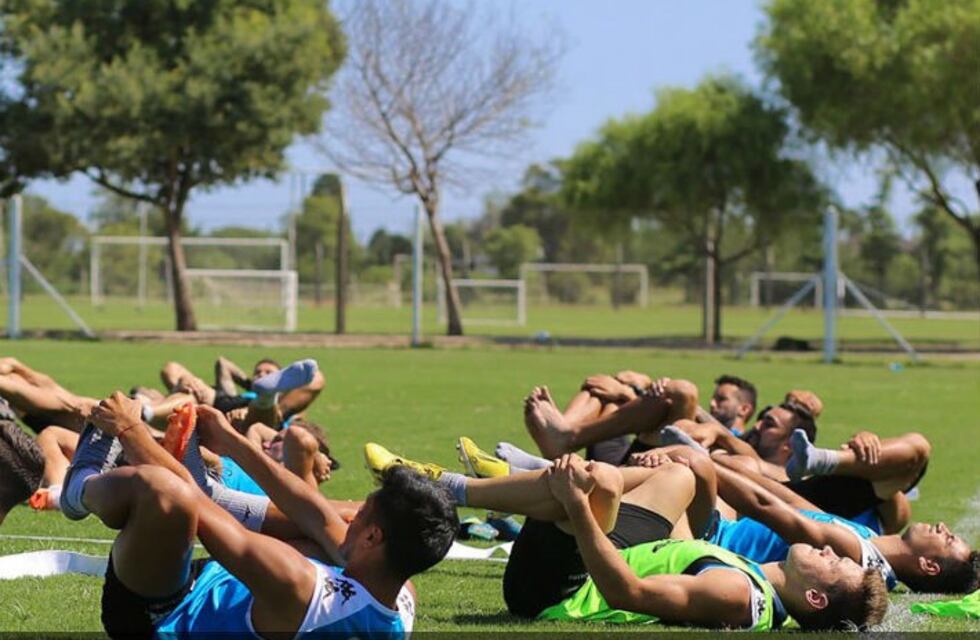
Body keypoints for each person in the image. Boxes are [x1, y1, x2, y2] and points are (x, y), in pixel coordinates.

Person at [366, 443, 887, 630]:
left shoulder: (738, 594)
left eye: (835, 562)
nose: (827, 548)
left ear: (815, 596)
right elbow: (674, 553)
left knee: (594, 484)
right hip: (609, 558)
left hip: (553, 596)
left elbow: (626, 594)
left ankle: (442, 487)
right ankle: (508, 477)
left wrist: (578, 507)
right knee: (680, 473)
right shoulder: (755, 580)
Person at [59, 393, 456, 637]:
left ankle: (79, 487)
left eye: (362, 515)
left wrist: (130, 429)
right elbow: (315, 513)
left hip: (162, 615)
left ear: (372, 537)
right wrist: (233, 443)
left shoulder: (299, 584)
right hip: (225, 586)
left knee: (167, 494)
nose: (350, 517)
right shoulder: (400, 596)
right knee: (312, 535)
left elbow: (199, 508)